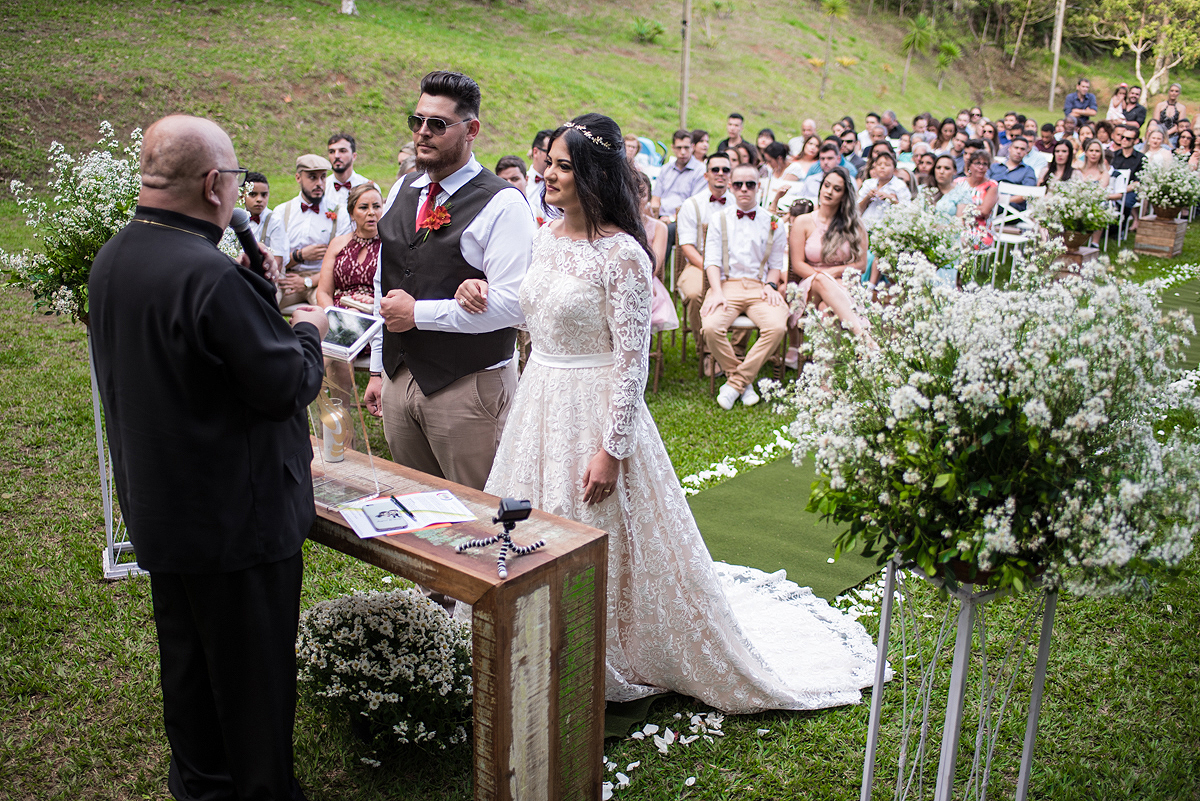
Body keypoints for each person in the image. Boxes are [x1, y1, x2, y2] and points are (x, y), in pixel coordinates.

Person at [455, 113, 878, 713]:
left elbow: (632, 363)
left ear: (593, 176)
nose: (549, 175)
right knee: (528, 523)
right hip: (538, 397)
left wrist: (612, 449)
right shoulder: (544, 236)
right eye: (549, 163)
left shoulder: (623, 254)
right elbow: (536, 313)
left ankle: (601, 642)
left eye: (564, 167)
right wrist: (478, 295)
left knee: (597, 529)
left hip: (595, 404)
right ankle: (533, 631)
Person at [88, 114, 328, 801]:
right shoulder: (209, 275)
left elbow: (193, 360)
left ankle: (199, 783)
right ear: (213, 184)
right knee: (253, 685)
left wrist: (253, 294)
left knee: (190, 667)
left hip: (164, 508)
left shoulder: (116, 256)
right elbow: (284, 385)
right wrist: (307, 329)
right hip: (236, 522)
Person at [363, 70, 535, 491]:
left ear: (471, 130)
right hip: (399, 377)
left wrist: (418, 315)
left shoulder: (503, 203)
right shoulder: (403, 188)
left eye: (437, 124)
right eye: (417, 121)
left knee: (481, 511)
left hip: (467, 386)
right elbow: (386, 283)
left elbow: (514, 305)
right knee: (418, 503)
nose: (423, 132)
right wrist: (377, 368)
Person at [701, 164, 788, 410]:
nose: (744, 189)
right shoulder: (719, 219)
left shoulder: (773, 222)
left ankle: (735, 383)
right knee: (711, 327)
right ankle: (743, 382)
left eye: (750, 184)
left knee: (777, 326)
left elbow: (776, 264)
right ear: (731, 186)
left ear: (758, 186)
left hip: (760, 288)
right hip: (727, 285)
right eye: (738, 184)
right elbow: (712, 261)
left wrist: (771, 285)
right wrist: (716, 292)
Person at [788, 166, 871, 332]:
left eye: (837, 189)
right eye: (826, 185)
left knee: (826, 309)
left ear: (844, 196)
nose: (829, 191)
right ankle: (864, 337)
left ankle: (831, 351)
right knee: (821, 281)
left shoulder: (855, 225)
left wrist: (835, 272)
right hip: (810, 284)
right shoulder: (803, 222)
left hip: (842, 283)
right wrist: (824, 277)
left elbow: (861, 265)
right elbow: (797, 265)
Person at [675, 151, 733, 360]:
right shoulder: (692, 205)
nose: (720, 173)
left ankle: (736, 349)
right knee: (694, 294)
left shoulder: (738, 203)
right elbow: (687, 246)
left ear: (731, 174)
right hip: (698, 263)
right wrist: (710, 268)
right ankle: (706, 350)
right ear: (706, 175)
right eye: (715, 169)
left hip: (732, 265)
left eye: (725, 169)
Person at [277, 153, 337, 308]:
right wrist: (300, 255)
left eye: (323, 177)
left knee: (328, 312)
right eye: (312, 177)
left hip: (322, 281)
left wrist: (307, 281)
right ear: (298, 178)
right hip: (287, 279)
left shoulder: (339, 212)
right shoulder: (281, 212)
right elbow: (274, 258)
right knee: (262, 304)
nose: (319, 183)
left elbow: (340, 260)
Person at [651, 129, 707, 221]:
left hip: (685, 219)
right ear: (673, 148)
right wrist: (654, 217)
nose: (683, 152)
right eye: (679, 148)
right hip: (661, 217)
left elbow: (695, 204)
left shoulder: (700, 171)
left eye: (686, 147)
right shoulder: (666, 169)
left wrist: (671, 219)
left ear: (692, 147)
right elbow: (656, 198)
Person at [244, 171, 289, 273]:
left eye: (264, 195)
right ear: (242, 195)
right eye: (253, 194)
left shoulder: (275, 221)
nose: (259, 199)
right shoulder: (236, 219)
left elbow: (278, 261)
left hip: (267, 276)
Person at [325, 132, 371, 222]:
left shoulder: (367, 187)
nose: (336, 156)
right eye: (332, 152)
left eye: (342, 151)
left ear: (354, 156)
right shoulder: (322, 188)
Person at [858, 151, 911, 230]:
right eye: (879, 164)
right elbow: (857, 209)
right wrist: (867, 197)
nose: (882, 167)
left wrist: (891, 199)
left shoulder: (900, 186)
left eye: (887, 165)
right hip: (866, 227)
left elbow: (907, 211)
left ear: (895, 170)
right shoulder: (868, 183)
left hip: (889, 229)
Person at [1110, 122, 1147, 223]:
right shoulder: (1113, 155)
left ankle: (1121, 226)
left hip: (1129, 190)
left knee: (1126, 202)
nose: (1124, 140)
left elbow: (1138, 182)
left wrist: (1121, 190)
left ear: (1136, 141)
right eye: (1122, 137)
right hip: (1112, 187)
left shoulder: (1141, 158)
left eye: (1128, 138)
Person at [962, 151, 999, 248]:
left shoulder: (992, 185)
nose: (981, 167)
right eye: (977, 163)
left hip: (980, 229)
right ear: (969, 166)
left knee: (961, 239)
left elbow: (984, 211)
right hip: (958, 224)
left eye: (985, 164)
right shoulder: (958, 182)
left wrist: (960, 209)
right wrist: (975, 208)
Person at [987, 136, 1037, 209]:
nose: (1018, 151)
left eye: (1022, 149)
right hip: (989, 201)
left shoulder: (1028, 171)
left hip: (1012, 208)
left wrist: (1002, 201)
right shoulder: (995, 167)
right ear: (1009, 148)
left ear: (1026, 152)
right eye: (1016, 148)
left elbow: (1028, 193)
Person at [526, 128, 563, 224]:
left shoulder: (564, 184)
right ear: (535, 152)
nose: (554, 157)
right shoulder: (522, 183)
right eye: (549, 153)